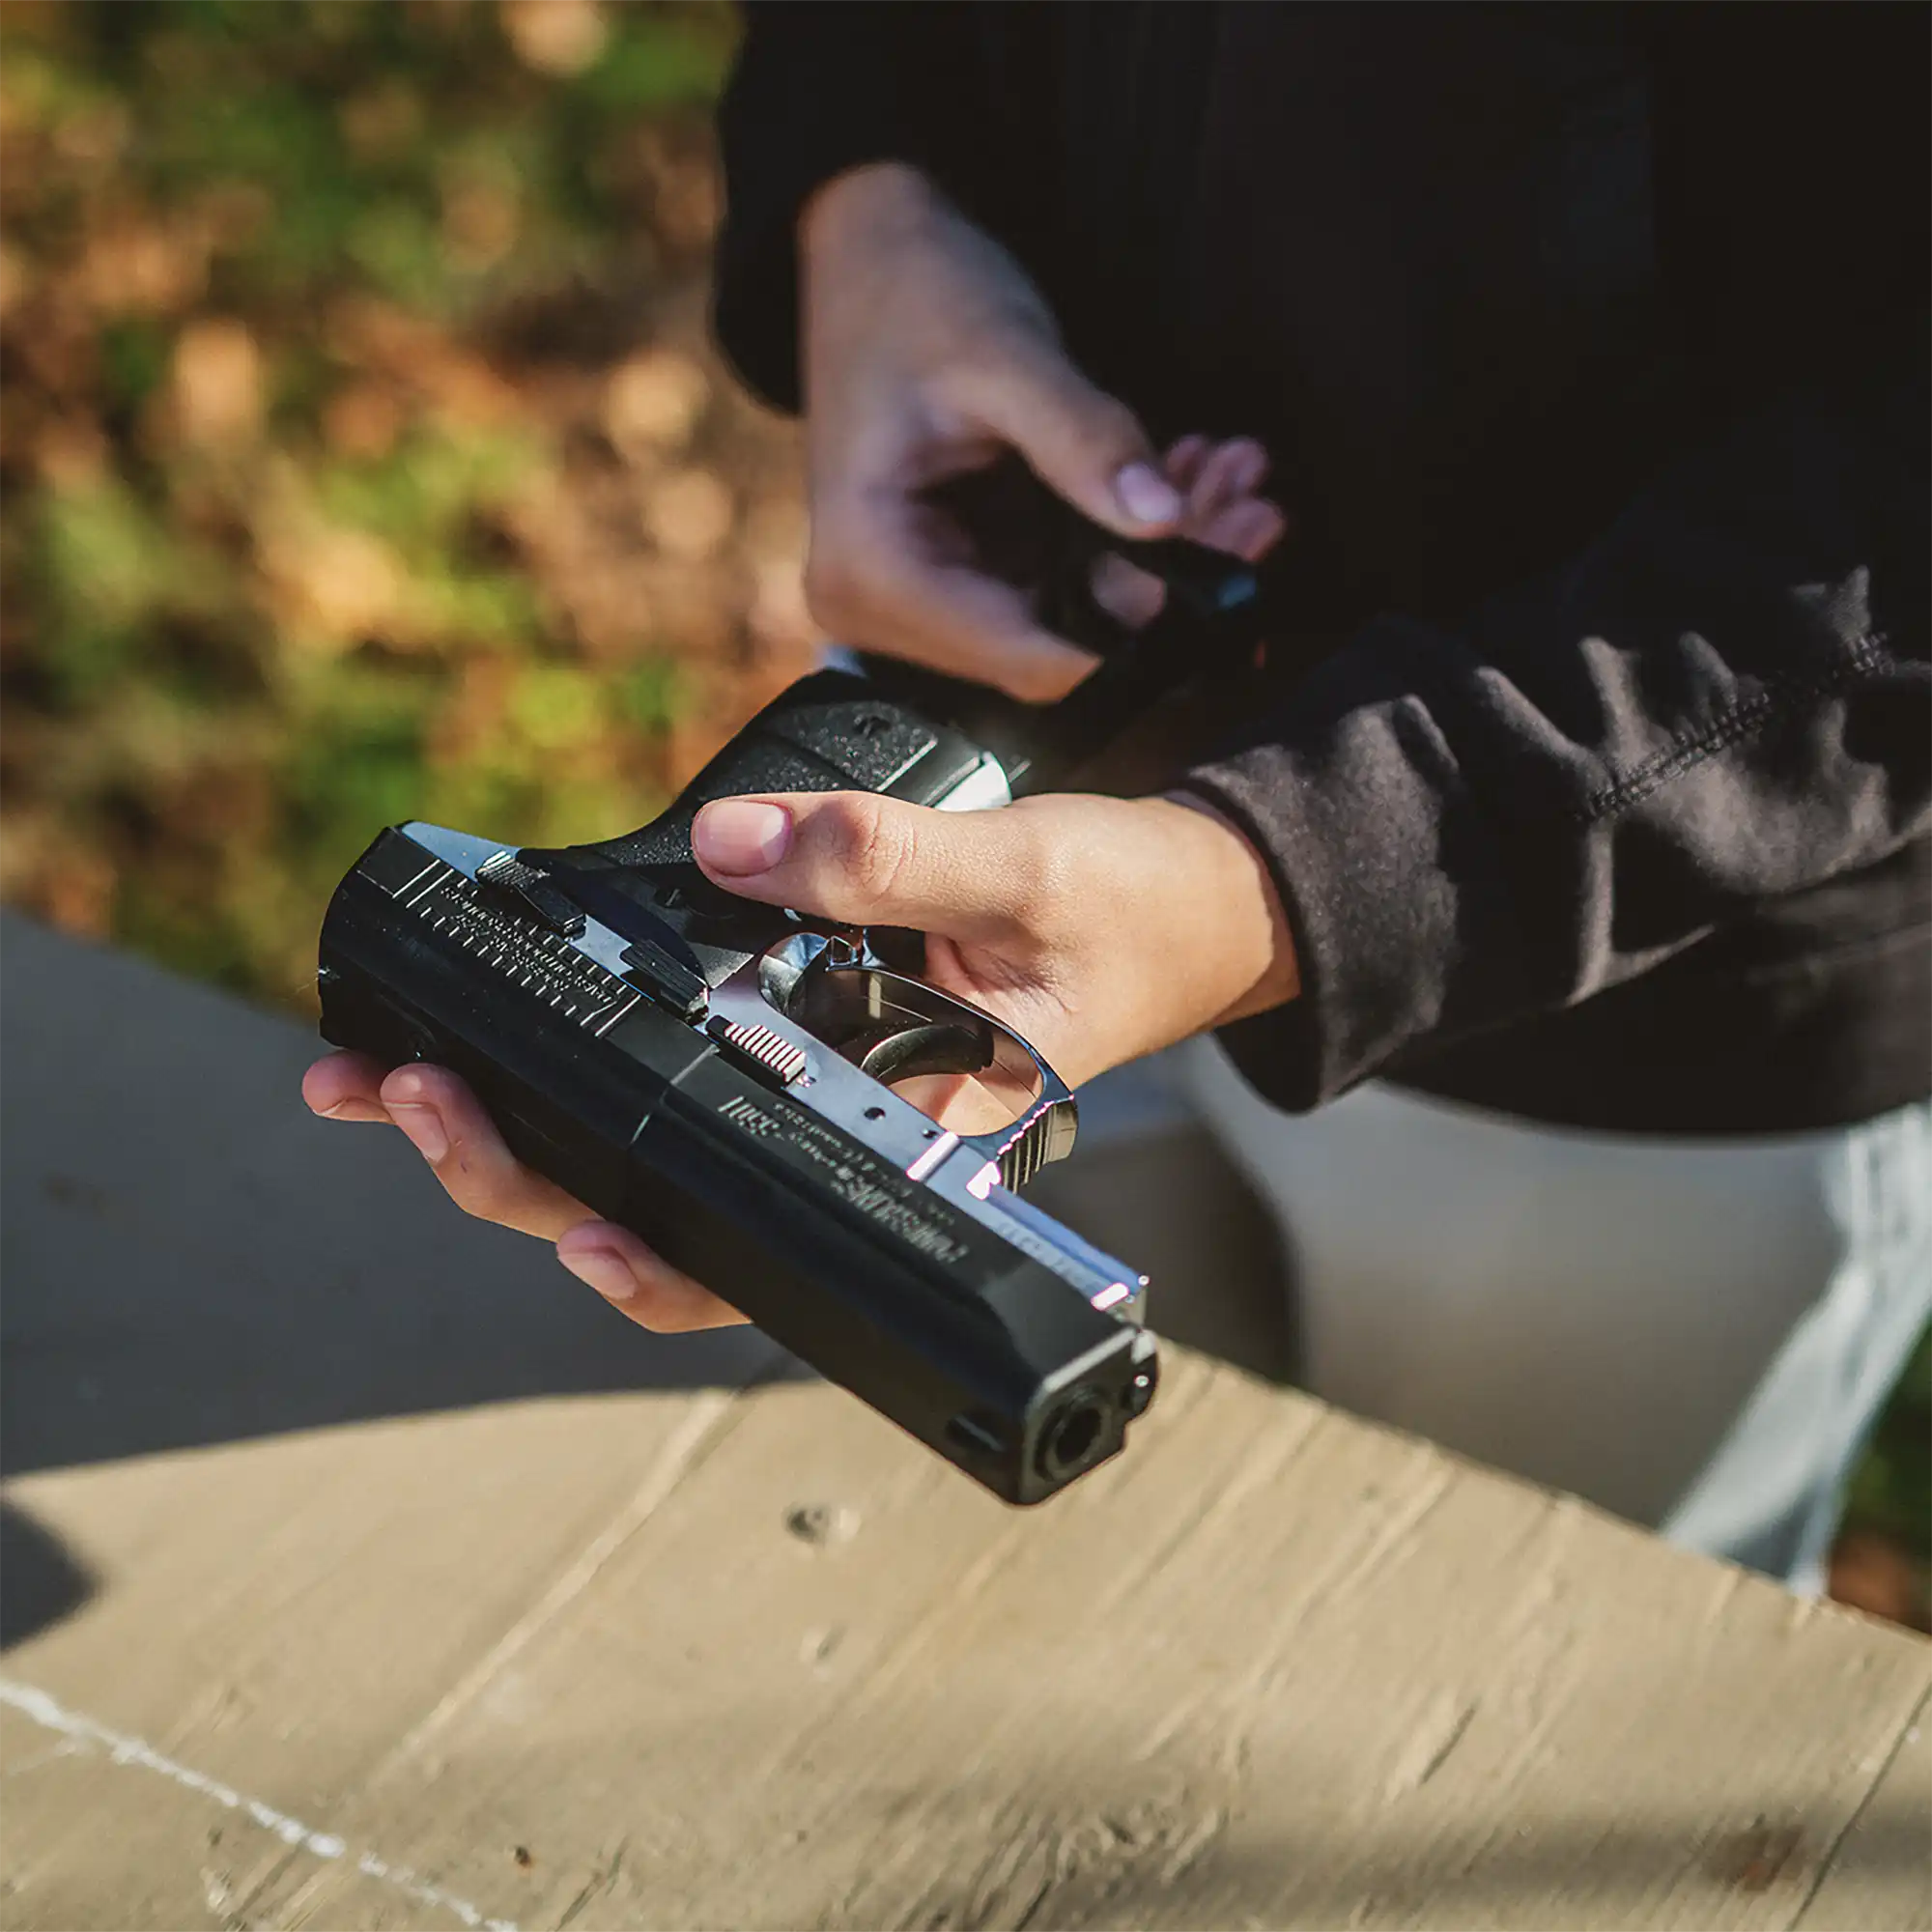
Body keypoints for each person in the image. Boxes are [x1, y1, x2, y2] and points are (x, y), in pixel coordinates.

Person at [308, 3, 1932, 1594]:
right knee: (1072, 1602)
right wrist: (869, 200)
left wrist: (1300, 870)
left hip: (1626, 1012)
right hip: (1028, 731)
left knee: (1494, 1638)